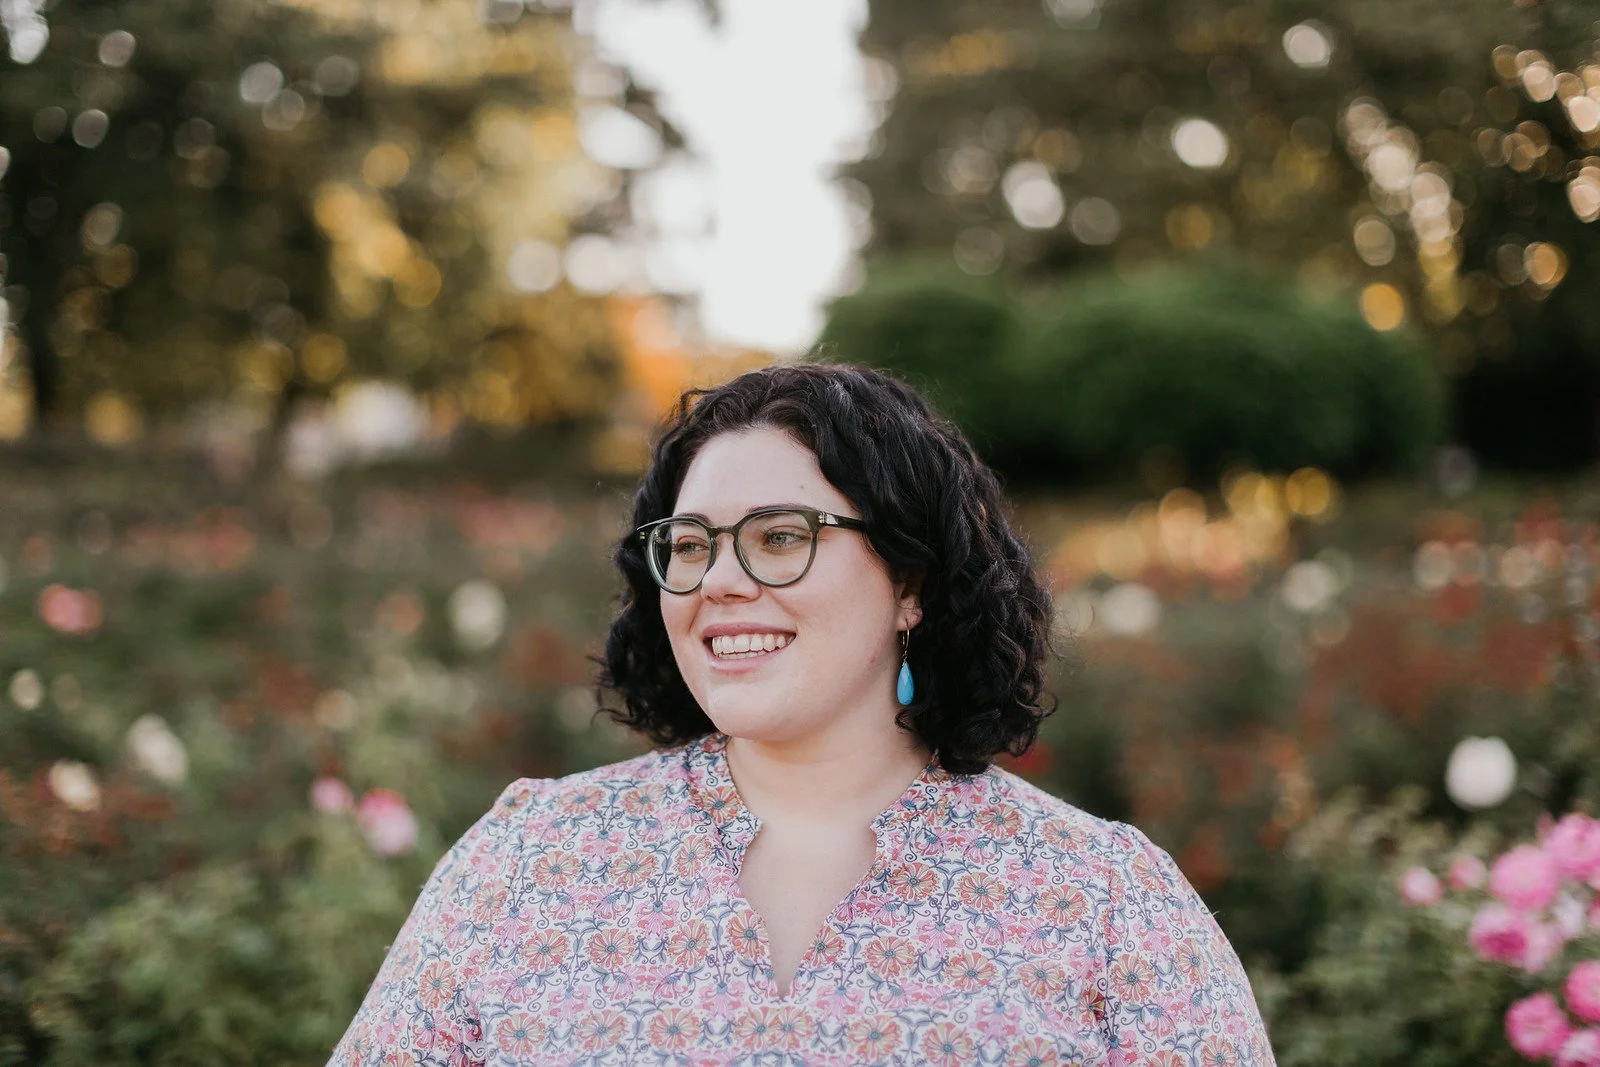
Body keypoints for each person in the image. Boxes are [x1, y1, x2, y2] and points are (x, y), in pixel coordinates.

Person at [329, 363, 1276, 1065]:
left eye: (781, 537)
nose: (722, 582)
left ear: (910, 579)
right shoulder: (525, 864)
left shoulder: (1103, 902)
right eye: (691, 545)